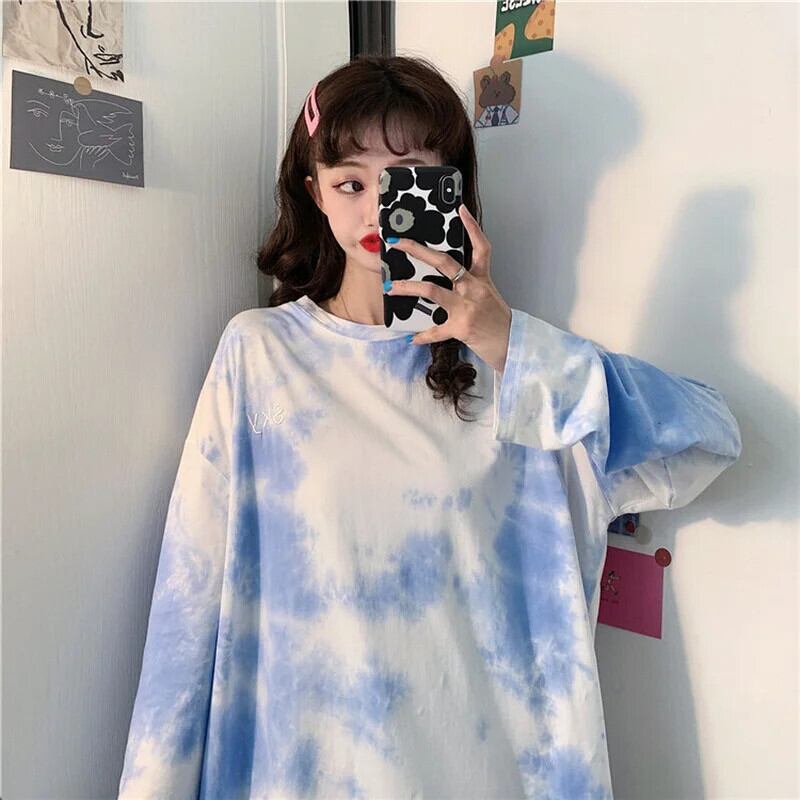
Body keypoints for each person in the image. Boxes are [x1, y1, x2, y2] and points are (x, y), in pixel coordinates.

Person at [117, 55, 742, 800]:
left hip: (488, 770)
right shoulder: (260, 353)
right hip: (301, 771)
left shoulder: (522, 372)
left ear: (452, 188)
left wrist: (507, 342)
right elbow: (189, 605)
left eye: (407, 177)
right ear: (315, 192)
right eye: (350, 183)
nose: (377, 210)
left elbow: (708, 442)